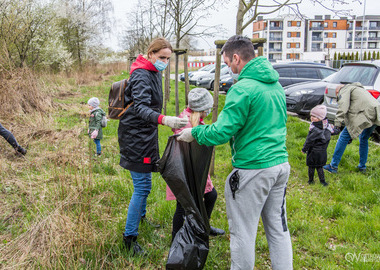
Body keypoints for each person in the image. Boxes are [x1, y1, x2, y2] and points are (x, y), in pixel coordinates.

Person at [177, 35, 292, 270]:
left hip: (253, 169)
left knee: (242, 233)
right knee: (278, 230)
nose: (229, 68)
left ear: (237, 58)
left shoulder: (242, 90)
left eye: (228, 63)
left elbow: (221, 132)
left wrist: (195, 133)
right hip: (280, 166)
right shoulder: (276, 86)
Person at [118, 37, 188, 256]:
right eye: (161, 58)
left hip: (145, 135)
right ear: (150, 54)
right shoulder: (140, 74)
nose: (165, 62)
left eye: (168, 58)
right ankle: (129, 238)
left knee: (145, 182)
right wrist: (164, 119)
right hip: (135, 138)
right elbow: (140, 108)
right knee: (142, 188)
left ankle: (141, 218)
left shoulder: (153, 72)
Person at [167, 88, 225, 241]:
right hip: (187, 172)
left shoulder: (194, 119)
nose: (209, 111)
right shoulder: (186, 124)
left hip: (197, 170)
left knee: (210, 196)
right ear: (202, 108)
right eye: (208, 108)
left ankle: (203, 226)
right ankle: (177, 240)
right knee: (183, 206)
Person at [324, 82, 380, 174]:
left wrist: (337, 124)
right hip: (376, 113)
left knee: (343, 136)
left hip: (365, 114)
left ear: (338, 91)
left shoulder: (344, 89)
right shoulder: (358, 88)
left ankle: (333, 166)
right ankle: (362, 167)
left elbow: (343, 106)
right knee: (364, 138)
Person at [301, 105, 339, 186]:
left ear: (320, 118)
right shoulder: (327, 127)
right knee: (319, 167)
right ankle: (323, 182)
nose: (312, 118)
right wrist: (337, 129)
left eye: (314, 116)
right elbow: (334, 131)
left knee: (311, 167)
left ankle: (311, 181)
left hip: (313, 151)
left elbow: (309, 140)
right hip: (322, 152)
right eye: (311, 115)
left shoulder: (314, 129)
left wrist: (304, 149)